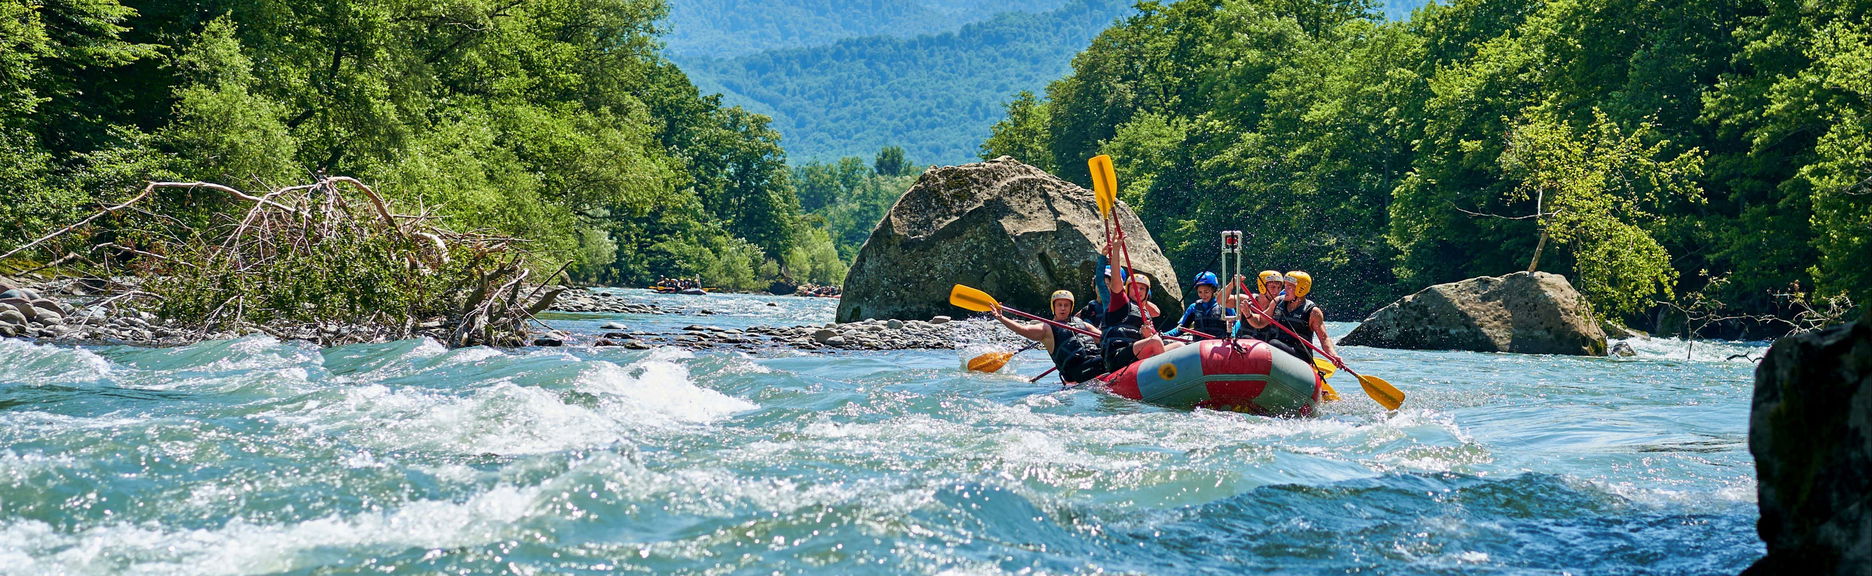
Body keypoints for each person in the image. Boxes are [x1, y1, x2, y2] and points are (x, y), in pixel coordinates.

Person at [991, 290, 1106, 383]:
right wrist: (1002, 318)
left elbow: (1104, 338)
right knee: (1105, 362)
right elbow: (1023, 329)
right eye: (1059, 305)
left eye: (1066, 305)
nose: (1063, 308)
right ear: (1053, 308)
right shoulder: (1047, 329)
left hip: (1095, 362)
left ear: (1071, 307)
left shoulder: (1082, 324)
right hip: (1077, 371)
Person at [1099, 242, 1170, 371]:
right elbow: (1116, 281)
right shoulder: (1120, 302)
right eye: (1135, 288)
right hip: (1116, 355)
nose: (1139, 291)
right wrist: (1116, 250)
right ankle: (1167, 376)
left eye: (1142, 288)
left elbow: (1152, 335)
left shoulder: (1144, 312)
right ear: (1128, 289)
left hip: (1135, 353)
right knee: (1155, 342)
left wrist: (1148, 334)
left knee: (1178, 345)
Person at [1270, 270, 1335, 365]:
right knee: (1270, 343)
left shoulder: (1313, 312)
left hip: (1300, 358)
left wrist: (1333, 355)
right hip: (1279, 352)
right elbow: (1260, 322)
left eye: (1289, 287)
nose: (1284, 290)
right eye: (1285, 286)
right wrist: (1248, 313)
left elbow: (1324, 338)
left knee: (1274, 343)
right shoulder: (1277, 302)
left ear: (1300, 290)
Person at [1166, 272, 1230, 340]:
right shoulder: (1193, 307)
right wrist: (1164, 334)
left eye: (1206, 292)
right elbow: (1180, 329)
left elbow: (1235, 326)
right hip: (1199, 345)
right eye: (1200, 292)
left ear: (1213, 290)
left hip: (1218, 345)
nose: (1203, 295)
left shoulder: (1225, 306)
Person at [1230, 270, 1284, 344]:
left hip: (1267, 347)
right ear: (1262, 286)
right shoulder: (1247, 300)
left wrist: (1248, 314)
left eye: (1279, 287)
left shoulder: (1279, 305)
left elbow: (1259, 322)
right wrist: (1231, 284)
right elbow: (1221, 300)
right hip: (1245, 342)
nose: (1276, 291)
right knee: (1246, 338)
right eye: (1273, 287)